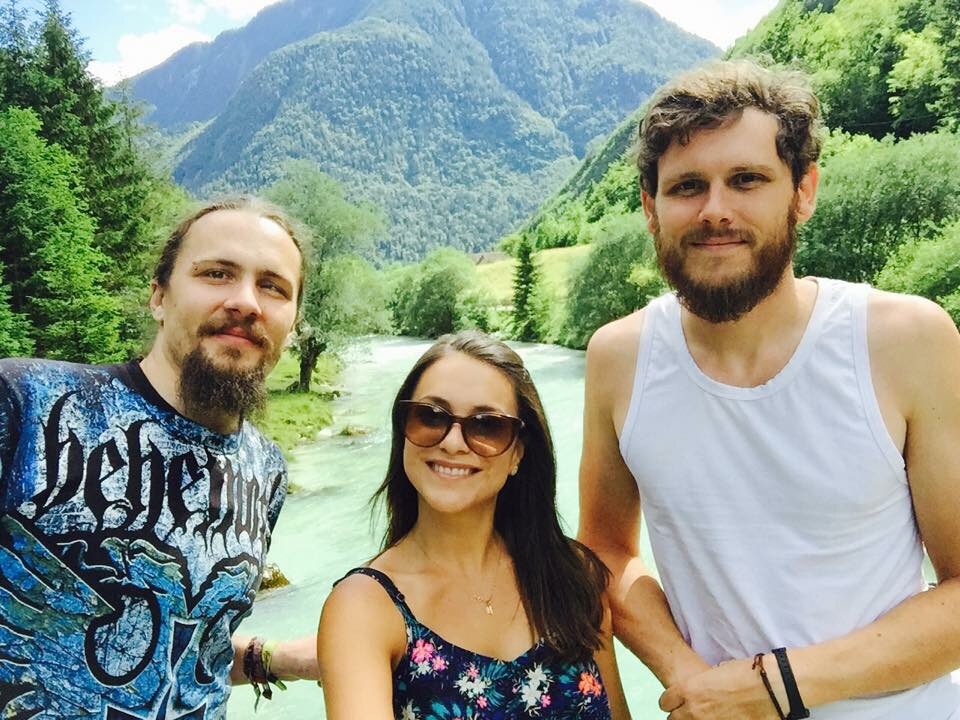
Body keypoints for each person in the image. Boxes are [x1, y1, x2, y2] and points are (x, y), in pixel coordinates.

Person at [577, 59, 960, 720]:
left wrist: (776, 684)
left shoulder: (904, 341)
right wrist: (688, 674)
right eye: (687, 186)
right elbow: (606, 550)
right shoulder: (620, 357)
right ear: (650, 208)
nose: (715, 210)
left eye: (747, 179)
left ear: (803, 190)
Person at [0, 197, 318, 719]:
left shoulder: (267, 470)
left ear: (292, 320)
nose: (246, 301)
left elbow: (188, 655)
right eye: (217, 273)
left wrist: (273, 659)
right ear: (159, 296)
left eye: (272, 286)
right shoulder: (26, 404)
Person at [317, 331, 631, 720]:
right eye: (430, 416)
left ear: (518, 452)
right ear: (403, 433)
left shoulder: (573, 576)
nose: (453, 442)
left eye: (487, 426)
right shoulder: (364, 608)